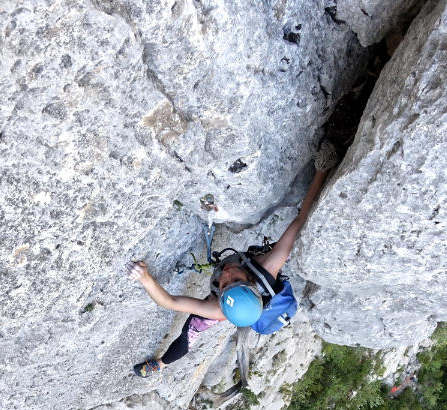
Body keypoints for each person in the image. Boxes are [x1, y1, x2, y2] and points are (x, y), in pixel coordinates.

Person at [129, 146, 335, 378]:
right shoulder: (268, 267)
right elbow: (299, 222)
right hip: (242, 293)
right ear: (250, 280)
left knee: (189, 334)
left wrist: (145, 279)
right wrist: (321, 171)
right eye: (236, 278)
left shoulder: (217, 309)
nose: (226, 273)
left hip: (229, 306)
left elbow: (170, 302)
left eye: (226, 283)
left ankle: (162, 365)